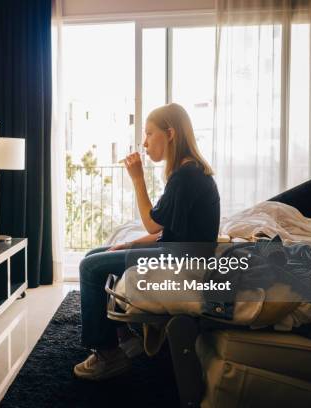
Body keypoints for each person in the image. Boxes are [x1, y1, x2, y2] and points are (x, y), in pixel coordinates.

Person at [73, 103, 220, 380]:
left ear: (171, 133)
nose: (144, 142)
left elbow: (153, 222)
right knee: (95, 254)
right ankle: (124, 337)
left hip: (184, 261)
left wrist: (138, 180)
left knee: (90, 268)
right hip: (178, 252)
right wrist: (129, 245)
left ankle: (109, 354)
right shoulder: (188, 172)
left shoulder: (187, 176)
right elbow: (167, 231)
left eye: (149, 133)